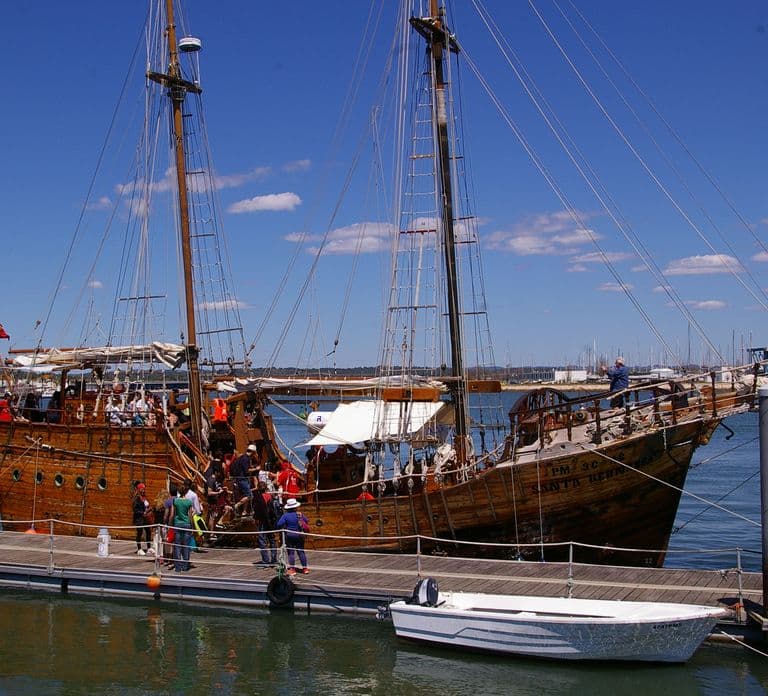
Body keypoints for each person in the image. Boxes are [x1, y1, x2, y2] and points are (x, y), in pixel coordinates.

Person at [276, 498, 309, 575]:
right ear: (295, 507)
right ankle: (305, 569)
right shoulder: (299, 514)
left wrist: (285, 526)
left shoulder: (285, 516)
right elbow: (306, 521)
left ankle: (292, 569)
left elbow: (279, 524)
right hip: (299, 535)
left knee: (291, 553)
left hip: (290, 535)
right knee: (301, 552)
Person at [171, 480, 194, 572]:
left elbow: (172, 514)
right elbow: (190, 515)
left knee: (177, 546)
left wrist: (170, 524)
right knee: (186, 545)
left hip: (177, 524)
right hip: (186, 524)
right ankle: (185, 566)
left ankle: (177, 567)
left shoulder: (175, 501)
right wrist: (192, 526)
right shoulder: (189, 502)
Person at [230, 444, 258, 515]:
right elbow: (246, 471)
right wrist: (256, 469)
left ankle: (244, 511)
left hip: (239, 479)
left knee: (245, 495)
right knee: (249, 495)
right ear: (253, 452)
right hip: (243, 479)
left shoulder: (242, 457)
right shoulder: (246, 459)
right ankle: (235, 506)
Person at [132, 483, 154, 555]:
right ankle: (139, 549)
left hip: (146, 518)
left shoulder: (144, 497)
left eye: (144, 489)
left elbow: (146, 505)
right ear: (139, 489)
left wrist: (149, 509)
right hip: (139, 518)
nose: (143, 490)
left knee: (148, 532)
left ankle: (149, 547)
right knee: (139, 533)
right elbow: (135, 510)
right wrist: (142, 513)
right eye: (142, 489)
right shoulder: (136, 498)